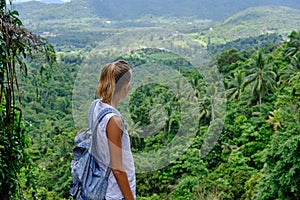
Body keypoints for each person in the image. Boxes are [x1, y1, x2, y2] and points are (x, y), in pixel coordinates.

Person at [91, 60, 135, 200]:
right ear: (125, 87)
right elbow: (117, 168)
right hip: (115, 193)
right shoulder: (113, 120)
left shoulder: (95, 106)